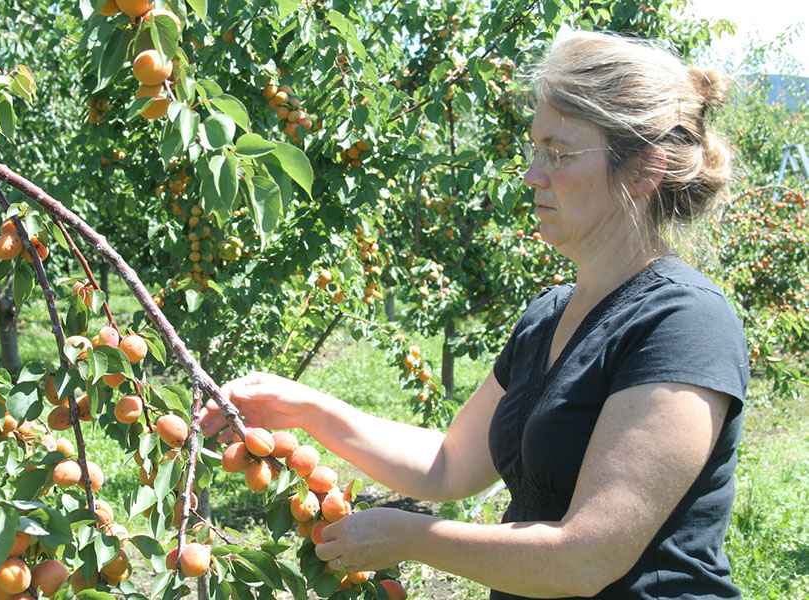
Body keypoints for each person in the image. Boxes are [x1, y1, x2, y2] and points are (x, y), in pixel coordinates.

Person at [199, 30, 749, 599]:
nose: (534, 175)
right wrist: (305, 407)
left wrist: (413, 536)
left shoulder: (683, 325)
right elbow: (448, 464)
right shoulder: (549, 315)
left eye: (558, 154)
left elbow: (588, 556)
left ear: (644, 170)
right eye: (535, 150)